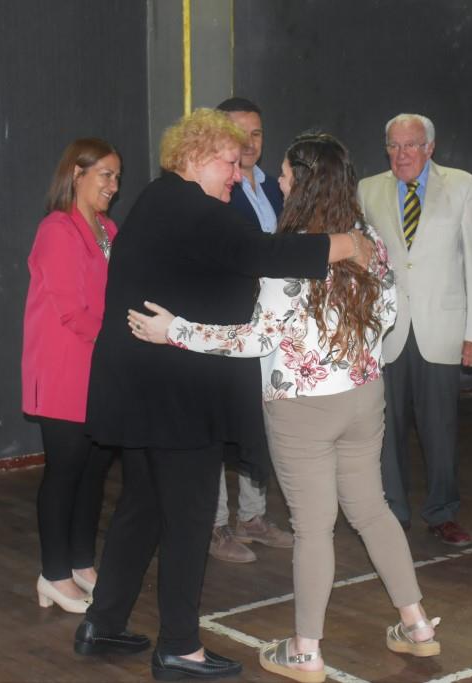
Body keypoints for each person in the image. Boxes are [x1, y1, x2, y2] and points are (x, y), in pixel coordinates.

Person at [128, 132, 440, 683]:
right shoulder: (368, 239)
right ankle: (417, 626)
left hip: (303, 409)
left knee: (314, 528)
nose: (279, 181)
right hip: (365, 398)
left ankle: (305, 652)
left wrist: (173, 330)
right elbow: (388, 313)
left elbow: (254, 339)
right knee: (371, 510)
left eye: (287, 175)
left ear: (306, 182)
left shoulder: (287, 255)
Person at [74, 110, 364, 681]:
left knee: (143, 507)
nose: (237, 174)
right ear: (196, 156)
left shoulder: (159, 201)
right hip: (176, 395)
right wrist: (347, 242)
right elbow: (263, 255)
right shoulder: (193, 207)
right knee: (186, 518)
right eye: (230, 162)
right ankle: (179, 646)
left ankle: (103, 621)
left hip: (141, 388)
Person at [357, 113, 472, 546]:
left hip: (443, 328)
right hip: (386, 332)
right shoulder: (367, 189)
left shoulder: (463, 186)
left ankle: (442, 511)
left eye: (411, 145)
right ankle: (392, 512)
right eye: (393, 146)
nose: (401, 154)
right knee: (384, 431)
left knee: (440, 430)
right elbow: (364, 265)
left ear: (430, 147)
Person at [21, 138, 120, 614]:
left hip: (99, 368)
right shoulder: (56, 230)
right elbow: (69, 309)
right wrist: (116, 343)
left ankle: (81, 562)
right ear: (76, 174)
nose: (113, 186)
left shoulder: (108, 230)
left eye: (117, 177)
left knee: (94, 469)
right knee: (64, 473)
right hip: (64, 369)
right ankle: (53, 573)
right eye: (105, 174)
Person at [205, 96, 292, 563]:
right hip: (227, 324)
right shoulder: (214, 189)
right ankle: (216, 525)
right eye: (240, 133)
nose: (250, 143)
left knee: (263, 420)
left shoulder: (273, 187)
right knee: (222, 424)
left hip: (270, 326)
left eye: (257, 133)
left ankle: (252, 517)